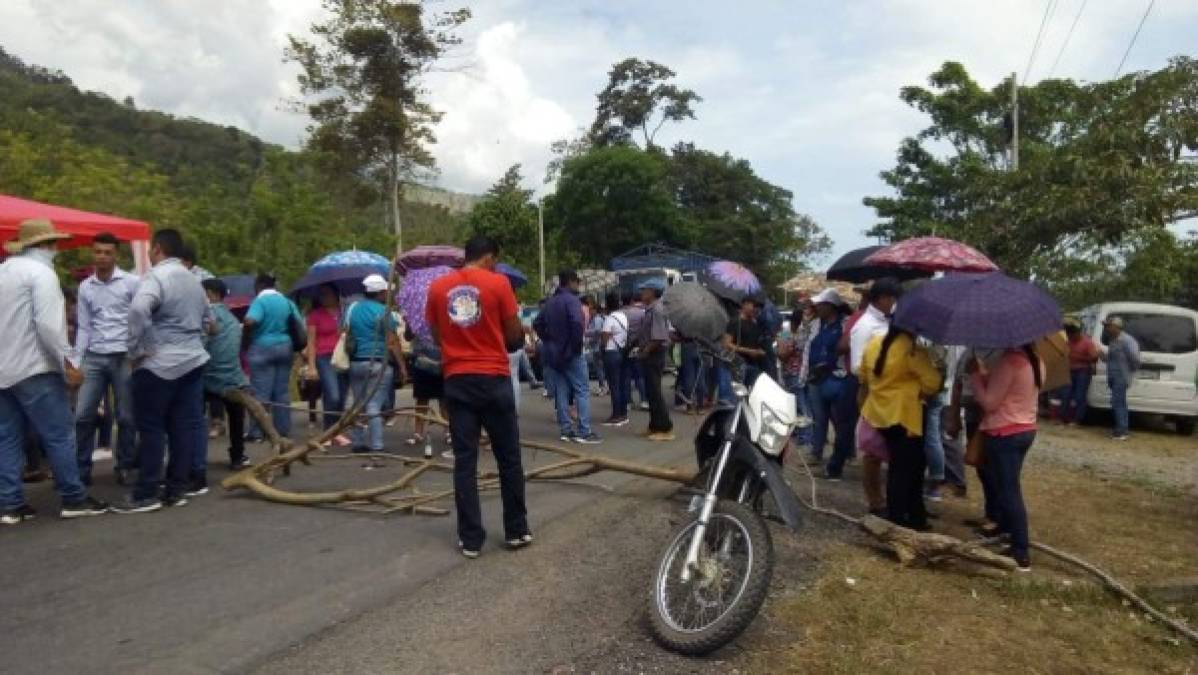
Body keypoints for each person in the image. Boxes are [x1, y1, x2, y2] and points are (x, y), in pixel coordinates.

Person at [426, 235, 530, 559]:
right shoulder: (499, 284)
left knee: (465, 461)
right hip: (494, 377)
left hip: (457, 379)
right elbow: (514, 335)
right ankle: (516, 530)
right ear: (488, 258)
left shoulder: (438, 288)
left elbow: (435, 333)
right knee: (508, 457)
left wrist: (458, 348)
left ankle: (471, 538)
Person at [0, 219, 110, 524]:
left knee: (7, 438)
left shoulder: (3, 271)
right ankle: (73, 497)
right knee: (59, 434)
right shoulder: (42, 274)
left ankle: (10, 504)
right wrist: (69, 363)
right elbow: (49, 326)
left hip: (3, 369)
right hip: (35, 367)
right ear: (48, 245)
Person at [114, 228, 210, 513]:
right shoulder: (195, 280)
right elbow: (210, 320)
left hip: (159, 364)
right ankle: (176, 488)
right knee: (182, 426)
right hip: (193, 361)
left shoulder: (156, 277)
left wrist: (137, 349)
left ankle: (146, 493)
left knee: (152, 427)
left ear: (156, 249)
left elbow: (137, 310)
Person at [72, 232, 140, 486]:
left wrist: (137, 353)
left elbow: (141, 319)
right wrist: (77, 361)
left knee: (126, 416)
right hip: (95, 356)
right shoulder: (86, 286)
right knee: (82, 415)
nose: (102, 257)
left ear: (116, 255)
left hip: (124, 356)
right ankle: (81, 470)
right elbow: (84, 326)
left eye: (107, 252)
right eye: (98, 252)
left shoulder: (132, 283)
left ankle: (124, 465)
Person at [858, 326, 942, 531]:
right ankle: (902, 517)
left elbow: (863, 375)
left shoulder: (874, 343)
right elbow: (932, 383)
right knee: (909, 469)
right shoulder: (913, 350)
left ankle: (910, 514)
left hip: (880, 412)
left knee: (899, 466)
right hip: (906, 415)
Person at [969, 344, 1044, 572]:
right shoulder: (1036, 361)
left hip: (1004, 432)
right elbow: (1013, 392)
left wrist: (975, 376)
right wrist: (986, 376)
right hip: (1025, 428)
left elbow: (989, 402)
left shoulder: (1009, 362)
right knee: (1008, 486)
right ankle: (1008, 534)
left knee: (1009, 490)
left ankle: (1020, 550)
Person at [343, 274, 406, 454]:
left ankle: (358, 441)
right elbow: (392, 341)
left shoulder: (352, 309)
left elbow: (345, 331)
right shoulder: (384, 312)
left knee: (358, 403)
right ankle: (377, 445)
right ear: (380, 292)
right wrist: (402, 366)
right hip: (379, 362)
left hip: (356, 362)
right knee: (374, 405)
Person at [536, 270, 600, 444]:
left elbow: (537, 323)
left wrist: (548, 341)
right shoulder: (572, 301)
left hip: (554, 354)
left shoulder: (550, 302)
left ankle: (566, 430)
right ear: (571, 282)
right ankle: (584, 431)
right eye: (577, 282)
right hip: (571, 353)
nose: (578, 286)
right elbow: (577, 324)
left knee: (561, 392)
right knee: (581, 390)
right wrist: (574, 346)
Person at [200, 279, 252, 476]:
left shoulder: (208, 315)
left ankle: (194, 458)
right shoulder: (231, 317)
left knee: (194, 417)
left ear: (211, 294)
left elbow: (201, 345)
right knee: (236, 416)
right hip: (234, 377)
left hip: (209, 377)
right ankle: (237, 456)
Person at [244, 273, 302, 440]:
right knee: (282, 392)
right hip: (285, 347)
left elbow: (251, 321)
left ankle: (257, 432)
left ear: (258, 286)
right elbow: (298, 322)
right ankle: (282, 430)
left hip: (262, 348)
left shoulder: (260, 301)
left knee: (261, 393)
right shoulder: (287, 302)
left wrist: (246, 338)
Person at [805, 289, 852, 476]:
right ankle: (816, 452)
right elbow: (809, 348)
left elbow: (846, 348)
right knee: (819, 418)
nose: (817, 308)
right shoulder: (817, 325)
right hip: (816, 377)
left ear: (831, 307)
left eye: (821, 305)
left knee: (840, 420)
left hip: (837, 377)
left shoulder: (844, 324)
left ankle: (843, 453)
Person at [305, 284, 349, 445]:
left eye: (328, 294)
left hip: (342, 356)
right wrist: (311, 365)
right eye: (322, 295)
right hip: (324, 356)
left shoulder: (345, 313)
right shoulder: (315, 315)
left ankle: (336, 430)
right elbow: (311, 342)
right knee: (332, 394)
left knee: (342, 396)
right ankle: (328, 430)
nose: (324, 298)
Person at [636, 279, 674, 441]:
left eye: (644, 290)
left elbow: (659, 337)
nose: (642, 293)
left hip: (654, 353)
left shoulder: (657, 309)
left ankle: (664, 427)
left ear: (652, 292)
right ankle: (654, 425)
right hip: (652, 353)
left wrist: (645, 350)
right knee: (651, 392)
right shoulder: (651, 309)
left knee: (655, 392)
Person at [777, 297, 815, 445]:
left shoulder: (789, 334)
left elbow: (782, 354)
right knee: (803, 403)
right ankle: (804, 434)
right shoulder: (805, 333)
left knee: (800, 404)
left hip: (793, 373)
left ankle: (805, 436)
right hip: (802, 372)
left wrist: (782, 351)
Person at [1100, 316, 1140, 441]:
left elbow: (1135, 360)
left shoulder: (1127, 341)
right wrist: (1101, 355)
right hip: (1112, 375)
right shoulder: (1113, 340)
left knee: (1118, 402)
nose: (1106, 328)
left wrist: (1129, 372)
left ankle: (1122, 431)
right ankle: (1120, 428)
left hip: (1121, 376)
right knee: (1118, 402)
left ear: (1116, 327)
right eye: (1106, 326)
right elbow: (1110, 359)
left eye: (1108, 326)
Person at [1059, 320, 1099, 425]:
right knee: (1065, 394)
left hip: (1083, 371)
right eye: (1068, 335)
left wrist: (1080, 358)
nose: (1070, 337)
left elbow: (1094, 358)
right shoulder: (1068, 342)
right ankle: (1064, 418)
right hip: (1070, 370)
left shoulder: (1087, 343)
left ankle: (1077, 419)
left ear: (1077, 333)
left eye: (1072, 335)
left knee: (1079, 395)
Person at [600, 293, 631, 426]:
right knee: (622, 383)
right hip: (622, 351)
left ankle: (616, 415)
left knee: (614, 385)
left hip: (611, 352)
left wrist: (602, 347)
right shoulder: (623, 316)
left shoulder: (609, 319)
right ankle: (623, 413)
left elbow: (605, 337)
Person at [724, 297, 767, 387]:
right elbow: (727, 344)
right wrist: (749, 351)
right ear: (744, 305)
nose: (754, 309)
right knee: (739, 392)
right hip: (739, 364)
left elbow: (754, 343)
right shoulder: (735, 322)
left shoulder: (754, 323)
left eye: (755, 306)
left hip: (754, 364)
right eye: (752, 305)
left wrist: (758, 351)